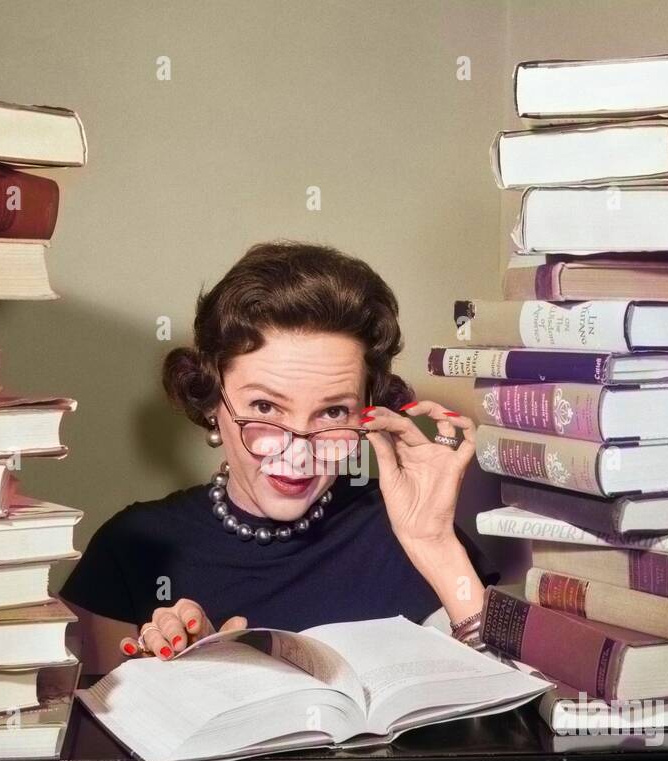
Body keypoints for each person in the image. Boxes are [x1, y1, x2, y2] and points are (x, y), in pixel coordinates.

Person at [61, 241, 494, 673]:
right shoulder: (133, 548)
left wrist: (435, 546)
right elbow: (78, 729)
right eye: (266, 409)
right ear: (212, 400)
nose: (299, 452)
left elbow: (518, 721)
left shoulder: (413, 535)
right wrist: (188, 682)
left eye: (332, 412)